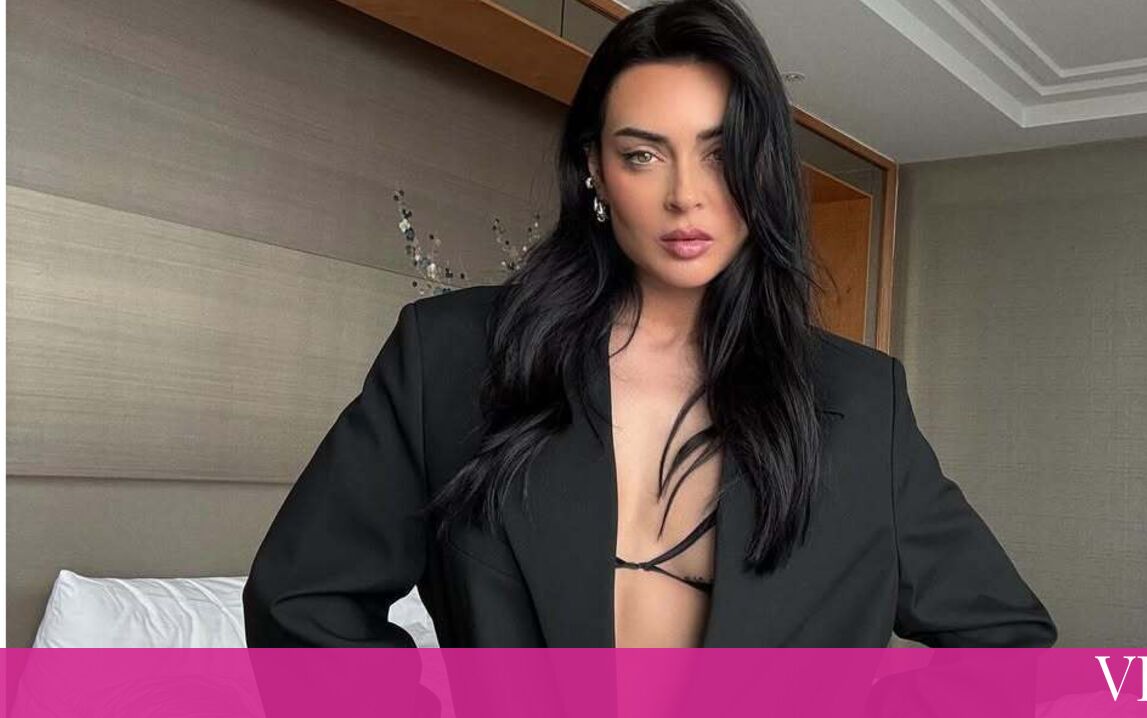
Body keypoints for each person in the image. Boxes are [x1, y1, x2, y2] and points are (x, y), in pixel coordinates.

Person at [243, 0, 1057, 648]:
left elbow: (1003, 642)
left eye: (720, 153)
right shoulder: (451, 355)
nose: (686, 196)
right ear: (594, 170)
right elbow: (302, 604)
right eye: (643, 154)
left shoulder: (860, 399)